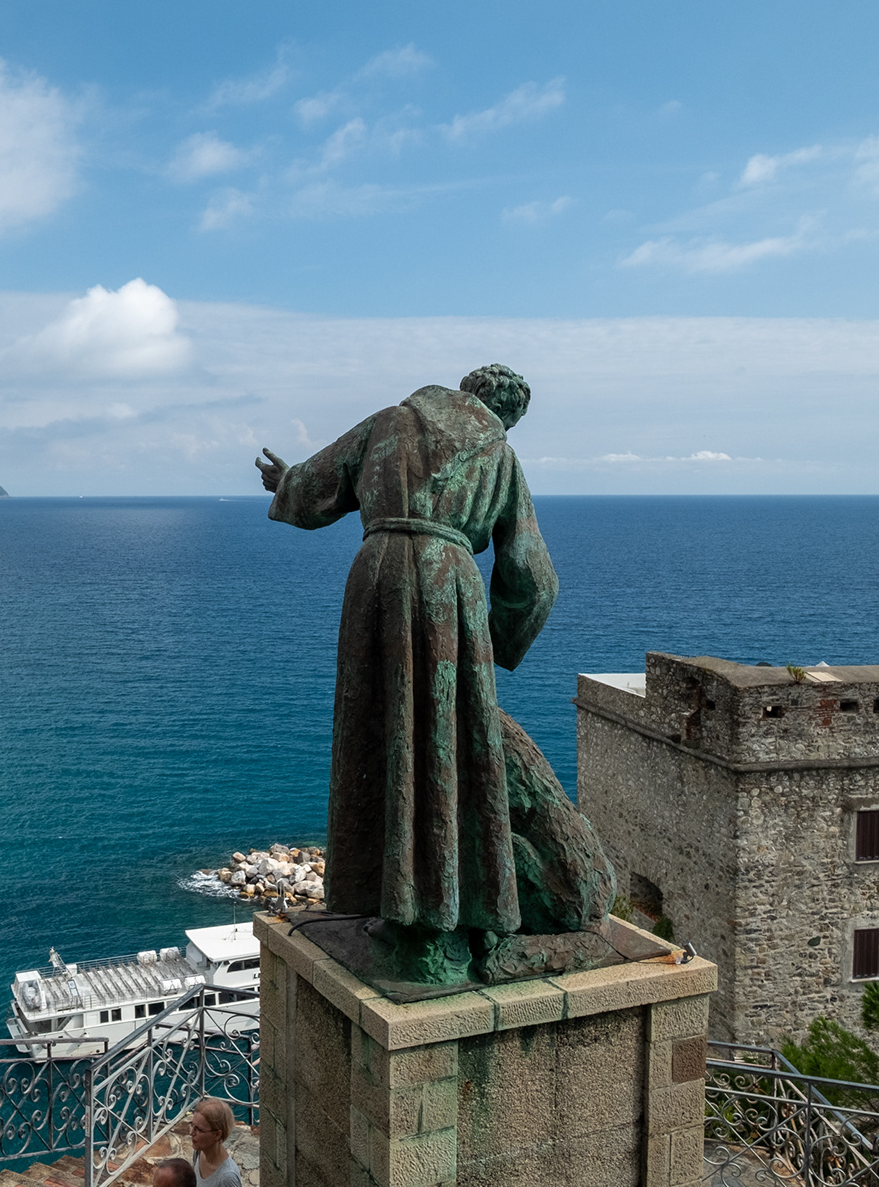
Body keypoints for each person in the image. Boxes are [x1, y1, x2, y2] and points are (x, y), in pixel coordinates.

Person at [256, 364, 613, 982]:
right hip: (451, 591)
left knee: (382, 732)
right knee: (447, 747)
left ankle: (391, 903)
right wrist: (491, 647)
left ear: (463, 390)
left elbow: (317, 484)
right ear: (502, 415)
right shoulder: (499, 457)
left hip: (375, 580)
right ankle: (443, 911)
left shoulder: (392, 421)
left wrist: (285, 482)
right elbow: (533, 576)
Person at [188, 1098, 241, 1187]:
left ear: (217, 1135)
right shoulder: (199, 1152)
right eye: (192, 1125)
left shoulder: (227, 1178)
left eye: (199, 1129)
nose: (191, 1132)